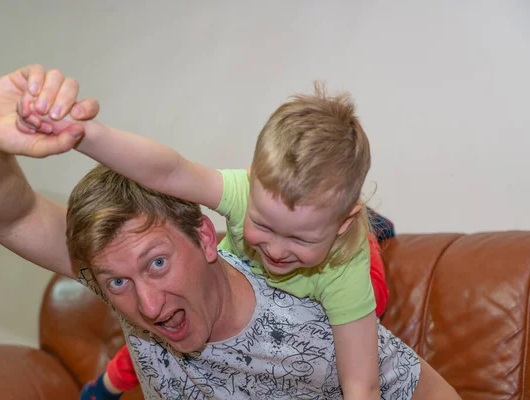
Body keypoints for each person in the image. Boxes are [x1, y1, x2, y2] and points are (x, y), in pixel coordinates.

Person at [0, 65, 460, 399]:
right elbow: (10, 215)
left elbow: (423, 391)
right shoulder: (124, 281)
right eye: (117, 282)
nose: (148, 307)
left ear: (203, 236)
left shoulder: (321, 326)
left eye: (157, 263)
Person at [60, 81, 381, 398]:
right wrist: (85, 134)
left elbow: (361, 384)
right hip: (234, 294)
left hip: (335, 277)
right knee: (158, 330)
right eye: (263, 225)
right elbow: (168, 172)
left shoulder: (345, 273)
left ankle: (374, 230)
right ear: (251, 180)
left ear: (342, 222)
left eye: (301, 238)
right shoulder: (241, 192)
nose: (276, 250)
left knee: (366, 321)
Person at [80, 209, 394, 400]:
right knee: (159, 332)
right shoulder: (233, 262)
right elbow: (144, 351)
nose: (148, 304)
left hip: (347, 265)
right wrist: (106, 387)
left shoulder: (345, 279)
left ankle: (366, 227)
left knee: (368, 298)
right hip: (244, 267)